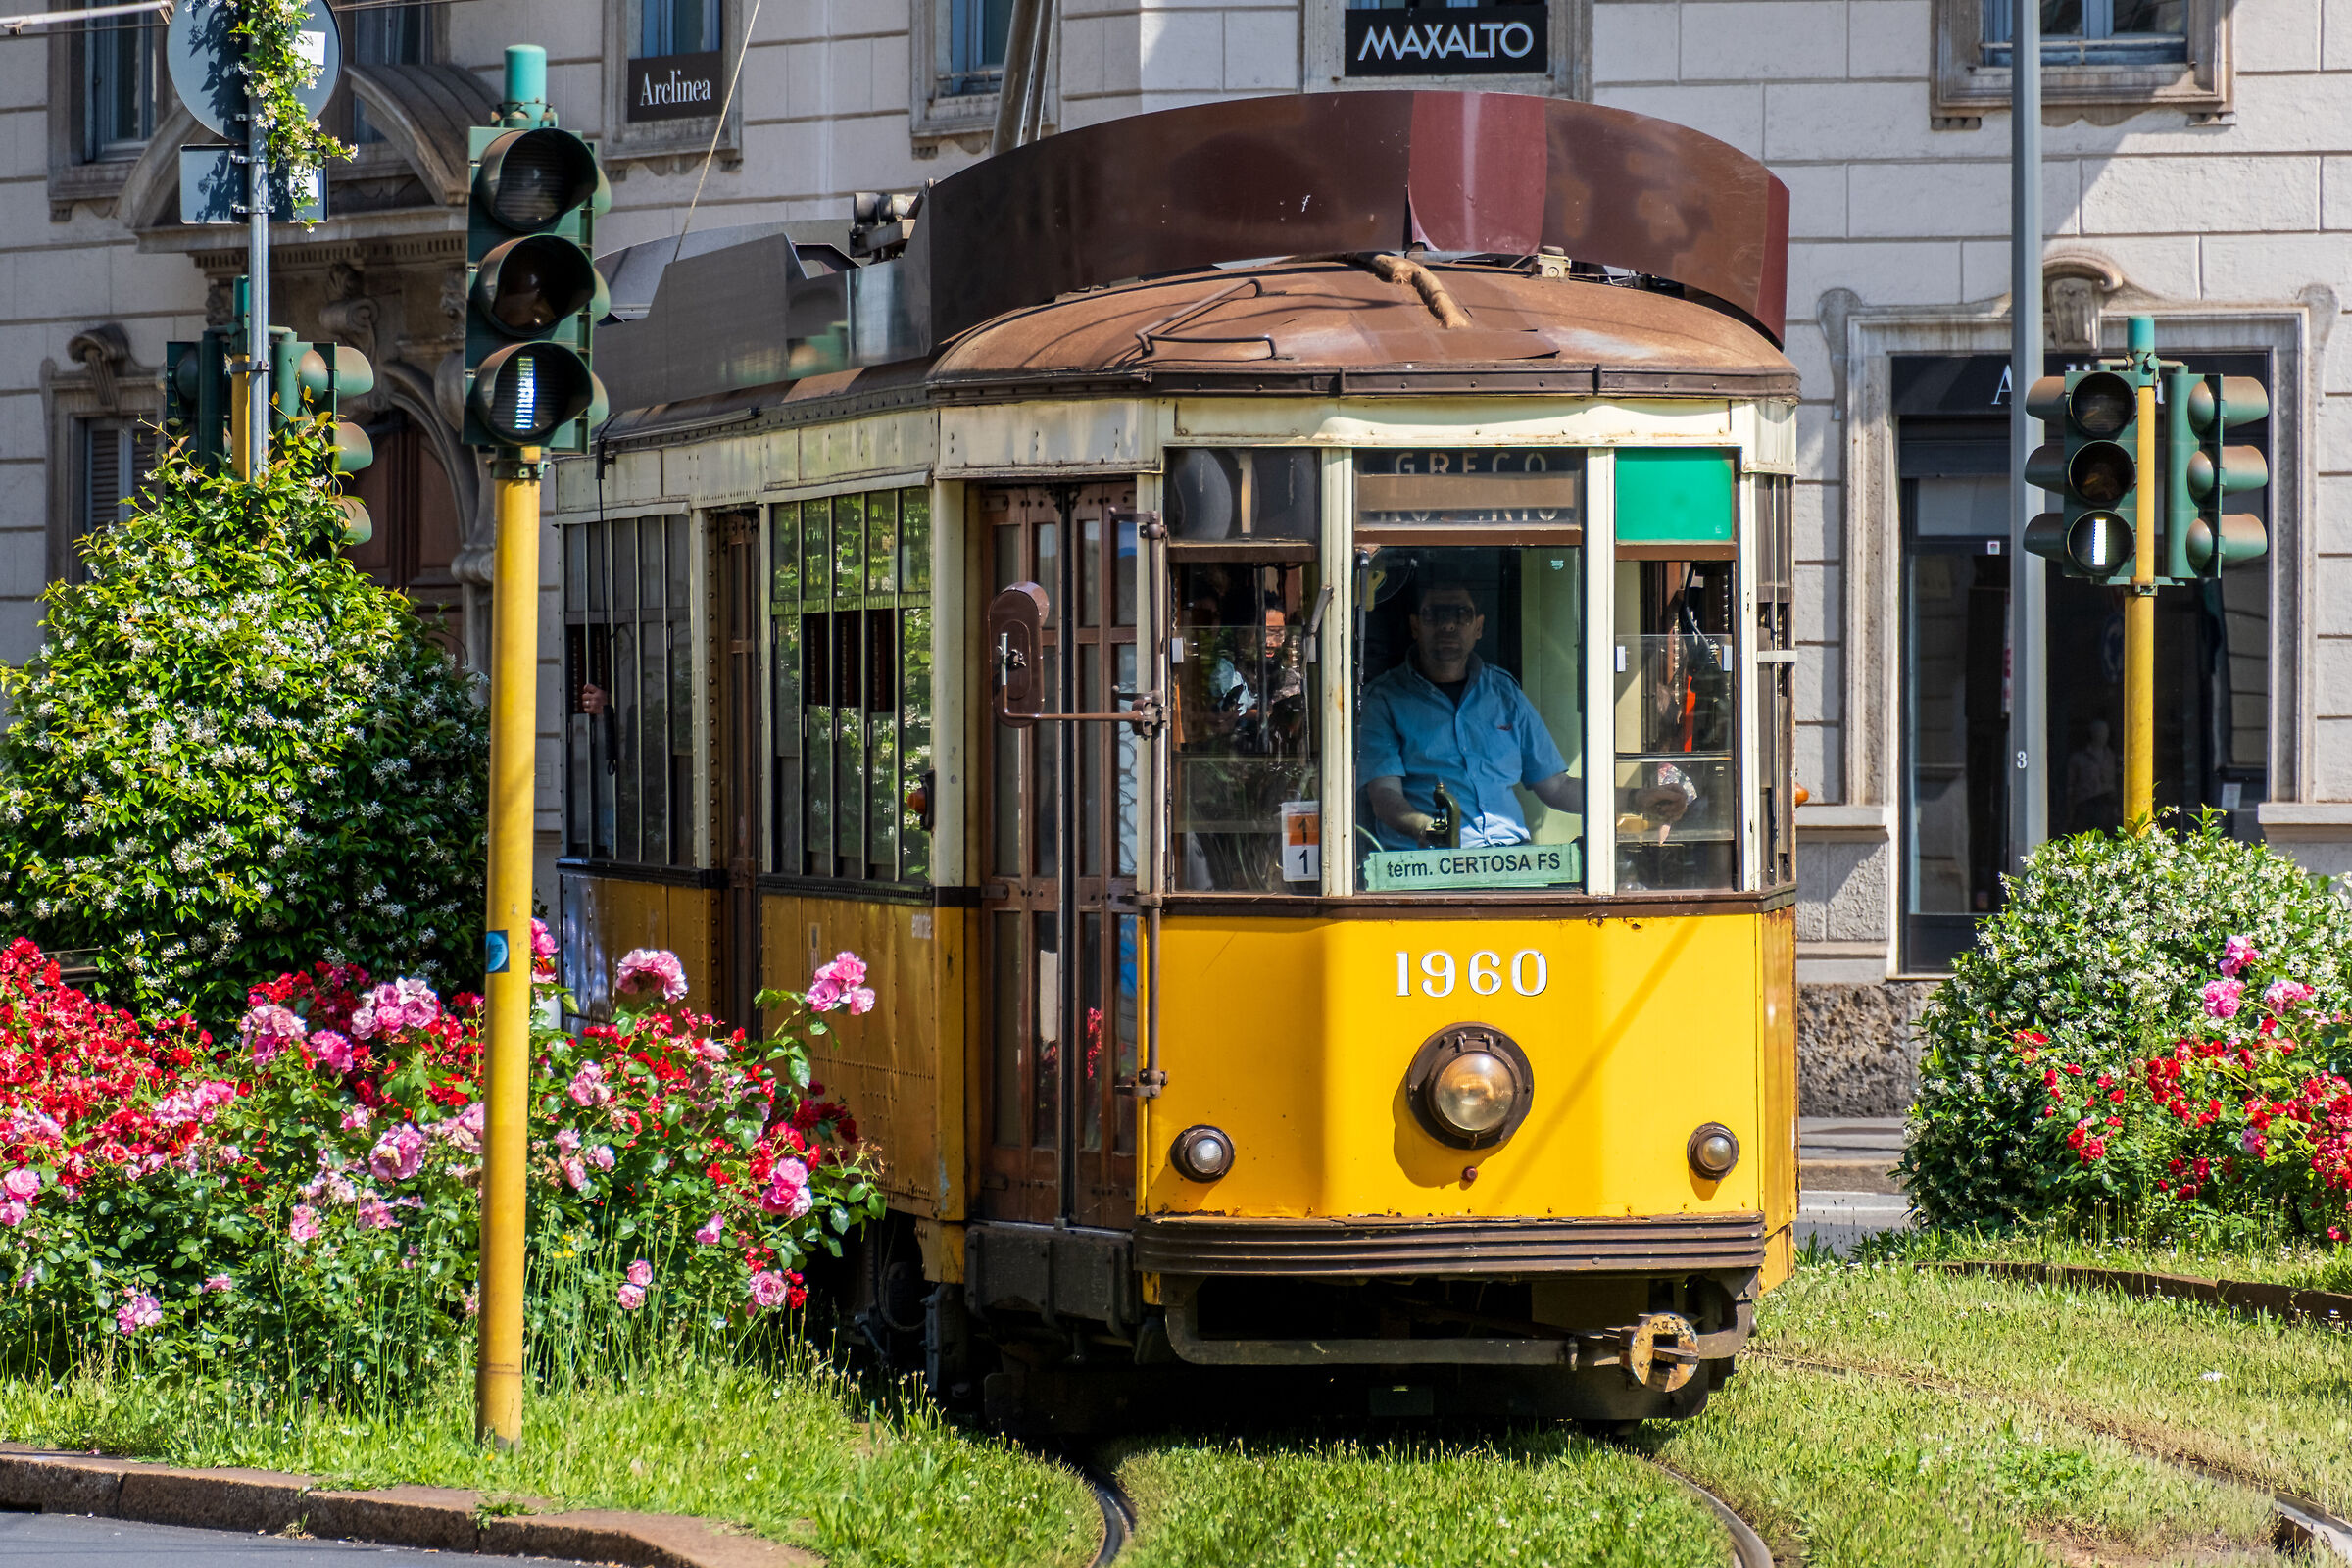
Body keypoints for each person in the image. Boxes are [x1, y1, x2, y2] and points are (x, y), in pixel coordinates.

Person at [1358, 579, 1581, 849]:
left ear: (1478, 627)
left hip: (1512, 858)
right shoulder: (1383, 699)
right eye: (1434, 614)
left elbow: (1556, 787)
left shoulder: (1504, 692)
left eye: (1461, 614)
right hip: (1428, 861)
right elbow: (1384, 796)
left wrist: (1625, 800)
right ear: (1415, 626)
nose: (1448, 625)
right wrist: (1427, 829)